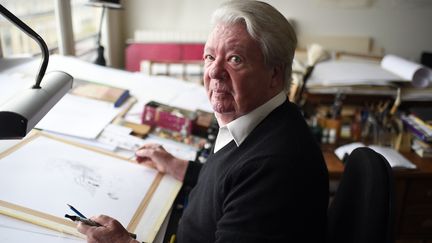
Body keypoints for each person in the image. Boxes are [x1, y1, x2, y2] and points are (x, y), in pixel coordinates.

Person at [77, 1, 329, 242]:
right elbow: (230, 186)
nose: (214, 72)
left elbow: (247, 181)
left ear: (274, 74)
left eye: (235, 59)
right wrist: (178, 167)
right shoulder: (253, 122)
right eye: (209, 57)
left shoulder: (275, 170)